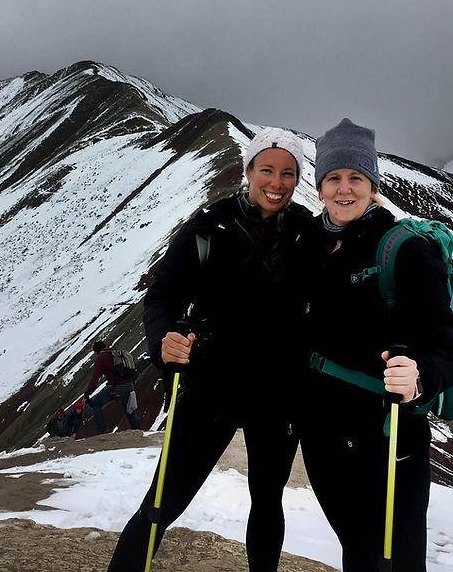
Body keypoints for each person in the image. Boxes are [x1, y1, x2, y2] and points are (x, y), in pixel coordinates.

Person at [107, 127, 313, 572]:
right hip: (211, 385)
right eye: (267, 170)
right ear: (248, 171)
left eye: (288, 173)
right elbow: (162, 295)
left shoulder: (305, 233)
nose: (277, 183)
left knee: (267, 502)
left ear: (298, 179)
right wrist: (165, 340)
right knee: (163, 501)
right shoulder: (208, 226)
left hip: (277, 394)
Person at [297, 119, 453, 572]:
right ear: (319, 187)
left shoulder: (404, 250)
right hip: (323, 438)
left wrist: (420, 378)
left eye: (356, 177)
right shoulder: (308, 241)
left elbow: (447, 351)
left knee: (397, 562)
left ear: (373, 185)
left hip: (390, 438)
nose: (344, 188)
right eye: (333, 177)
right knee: (358, 549)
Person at [85, 341, 142, 432]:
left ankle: (102, 430)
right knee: (130, 410)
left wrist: (86, 395)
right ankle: (138, 431)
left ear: (96, 352)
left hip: (118, 387)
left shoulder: (100, 358)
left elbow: (94, 379)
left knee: (95, 404)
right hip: (130, 385)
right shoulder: (116, 353)